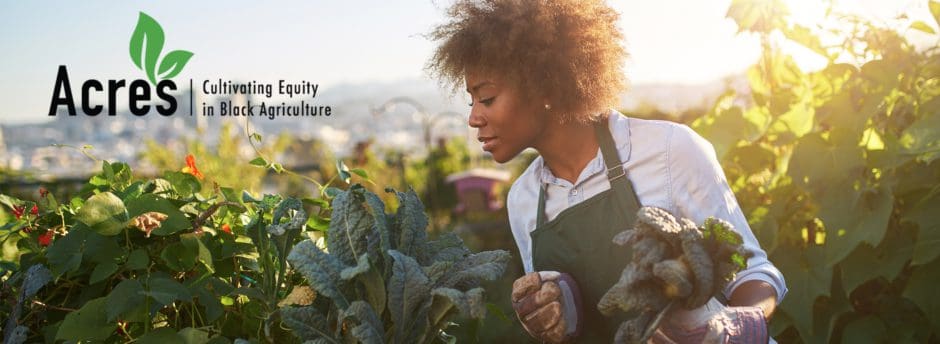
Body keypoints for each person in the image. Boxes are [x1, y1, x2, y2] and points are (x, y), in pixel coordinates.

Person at [427, 0, 787, 342]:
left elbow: (754, 273)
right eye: (471, 101)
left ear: (544, 85)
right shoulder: (524, 200)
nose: (474, 118)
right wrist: (555, 314)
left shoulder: (668, 151)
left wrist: (737, 328)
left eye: (487, 99)